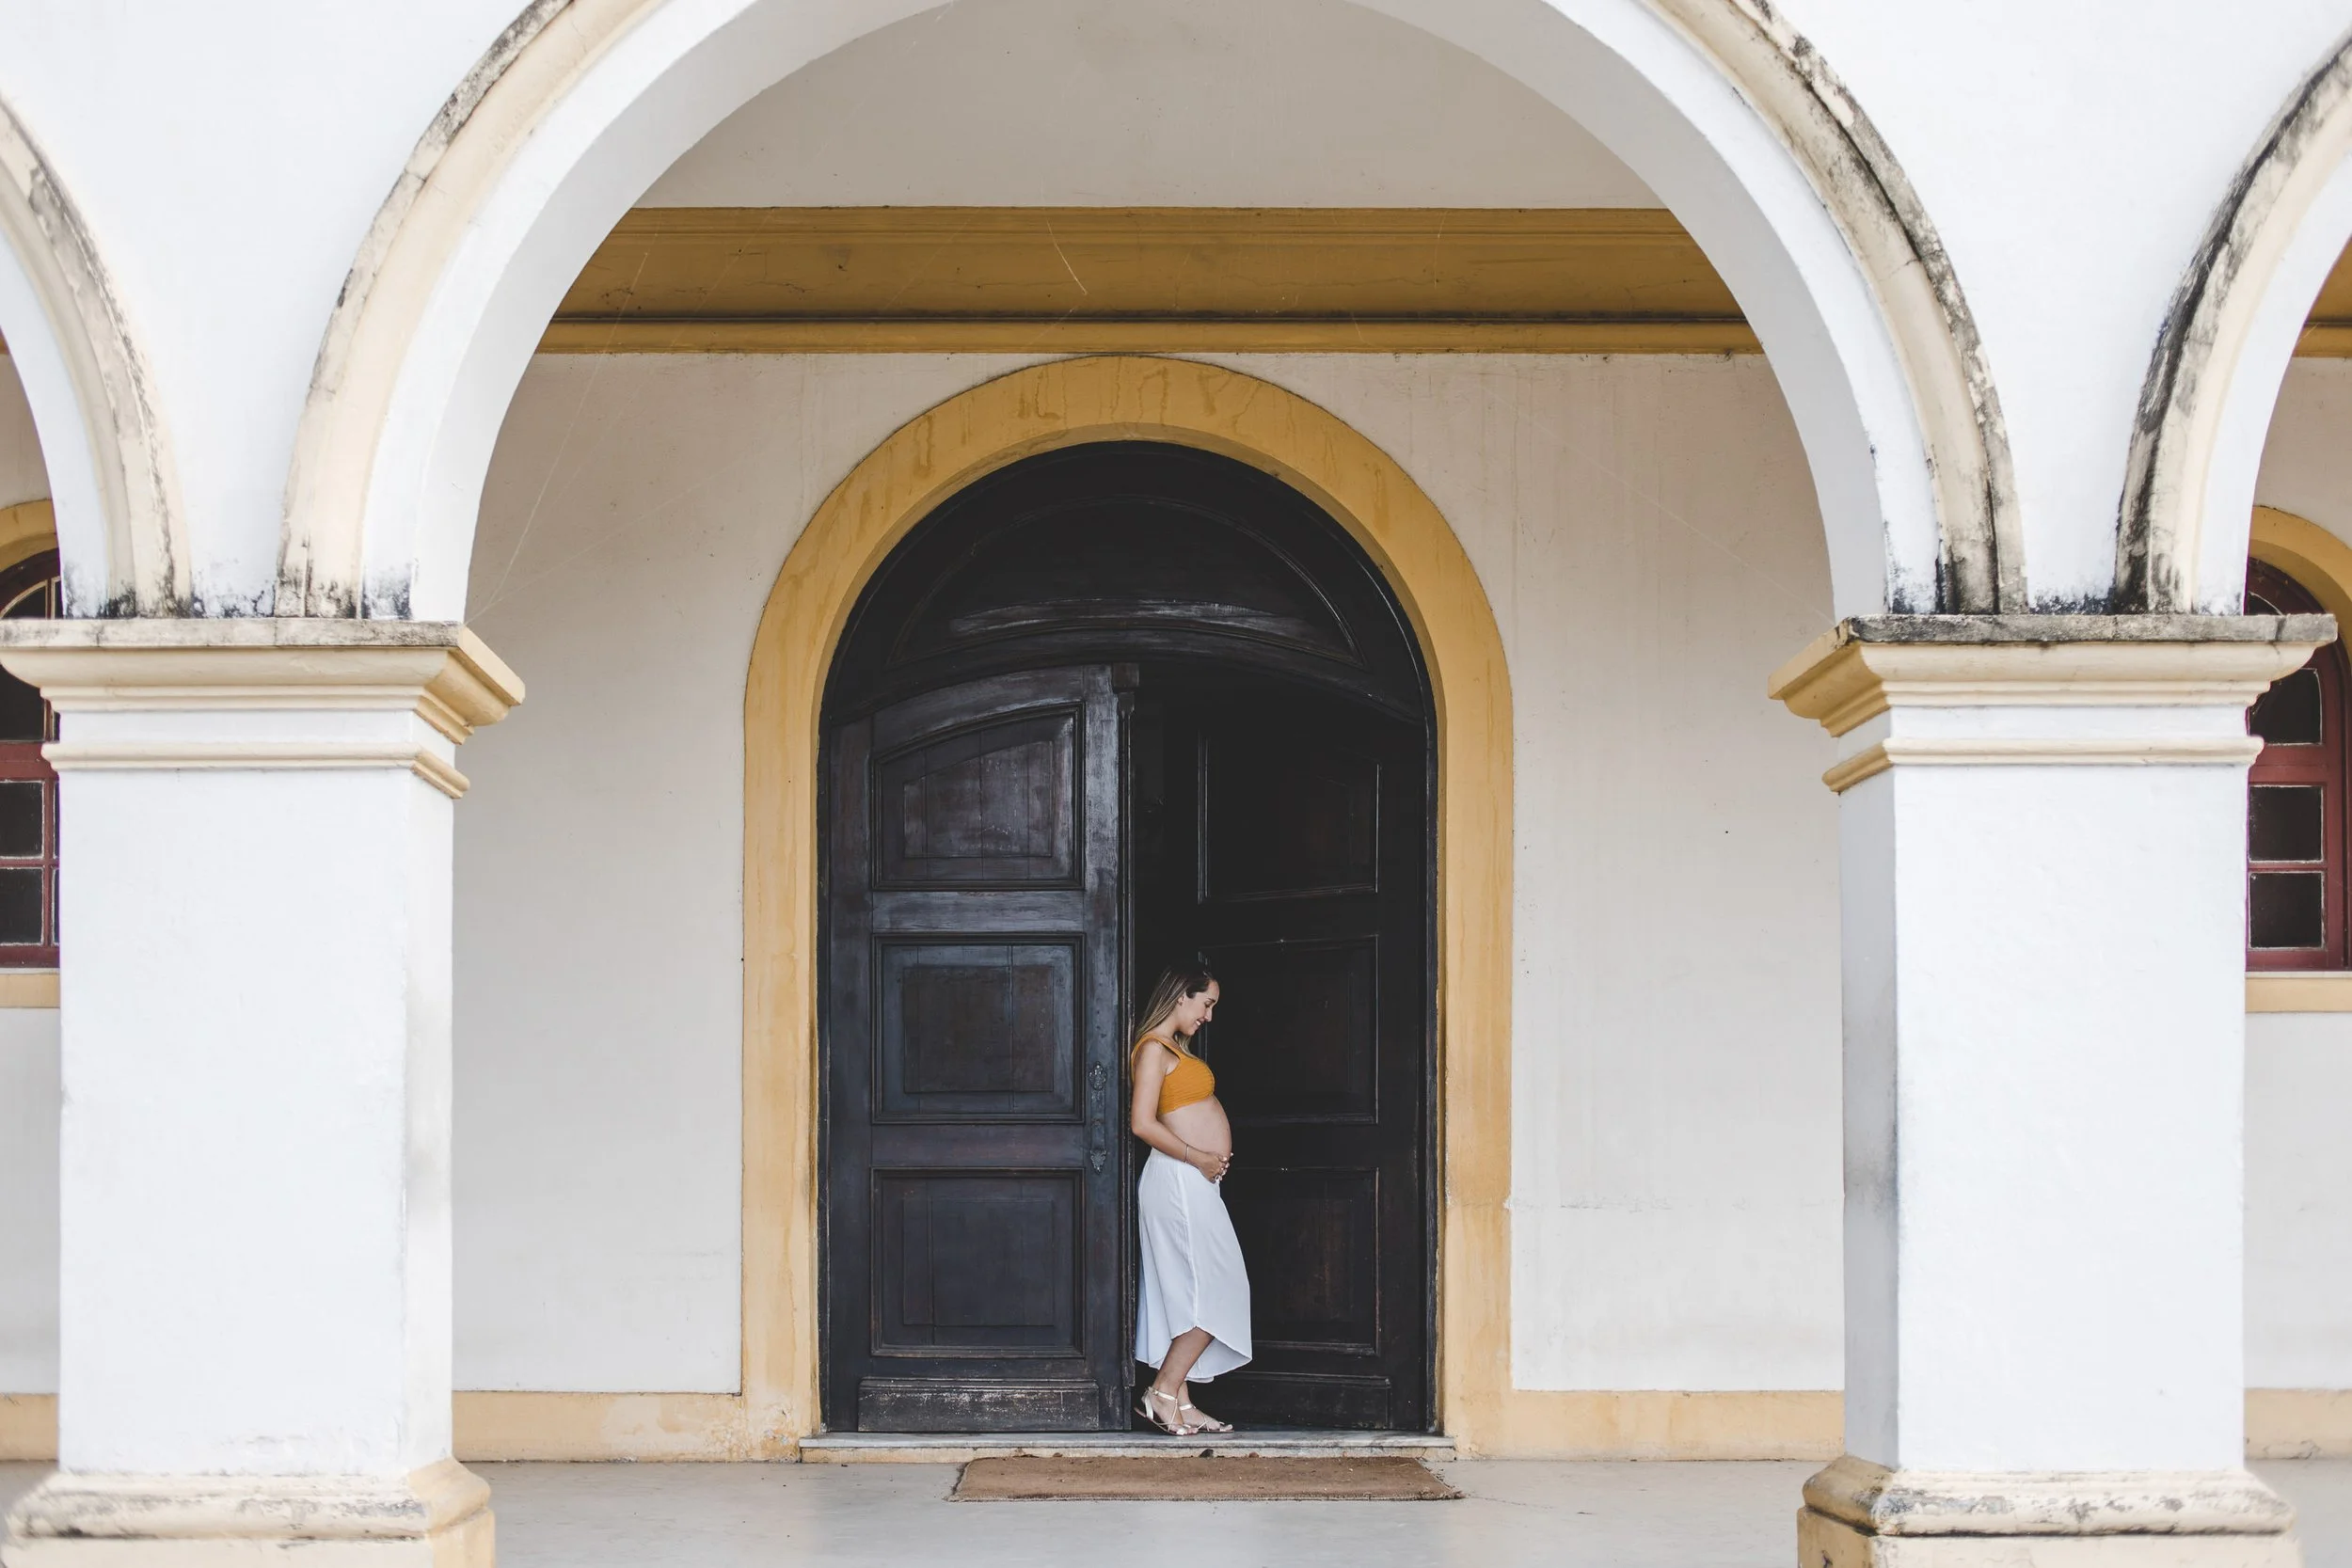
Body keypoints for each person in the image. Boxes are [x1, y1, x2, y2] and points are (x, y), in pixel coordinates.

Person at [1128, 960, 1250, 1436]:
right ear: (1181, 995)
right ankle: (1161, 1392)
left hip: (1193, 1181)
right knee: (1216, 1289)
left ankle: (1181, 1399)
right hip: (1177, 1180)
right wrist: (1198, 1157)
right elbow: (1142, 1123)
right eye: (1207, 1004)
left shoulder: (1175, 1049)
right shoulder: (1153, 1051)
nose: (1209, 1016)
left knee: (1188, 1291)